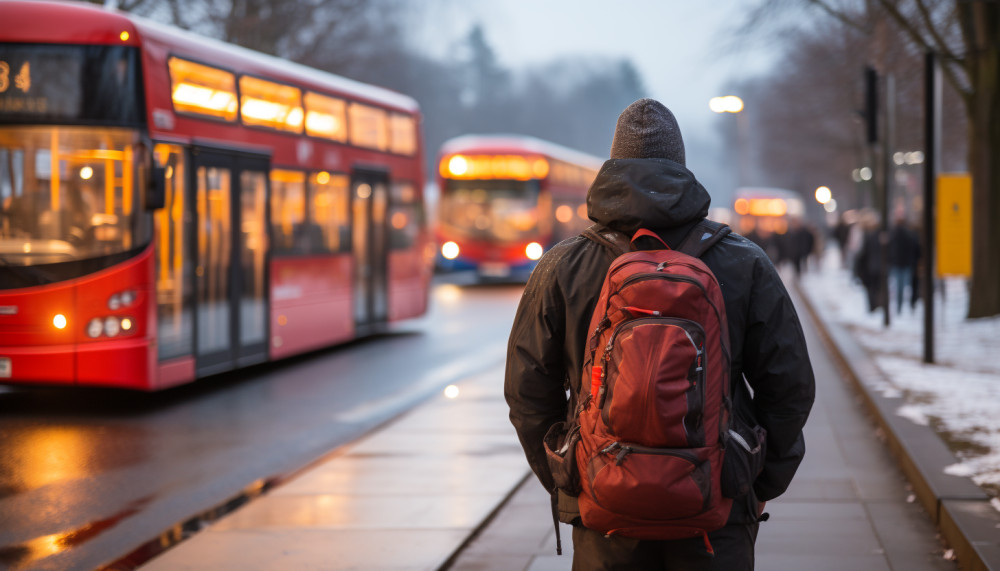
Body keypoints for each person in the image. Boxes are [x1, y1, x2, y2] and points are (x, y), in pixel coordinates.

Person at [505, 98, 816, 570]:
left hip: (604, 504)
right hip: (715, 507)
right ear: (681, 169)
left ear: (613, 166)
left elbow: (527, 392)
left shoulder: (563, 265)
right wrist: (752, 482)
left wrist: (571, 475)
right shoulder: (743, 261)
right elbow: (790, 386)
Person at [887, 215, 920, 314]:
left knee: (899, 287)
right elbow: (915, 248)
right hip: (906, 263)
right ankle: (910, 305)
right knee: (908, 286)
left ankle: (899, 307)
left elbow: (889, 249)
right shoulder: (909, 234)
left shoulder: (893, 234)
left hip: (897, 263)